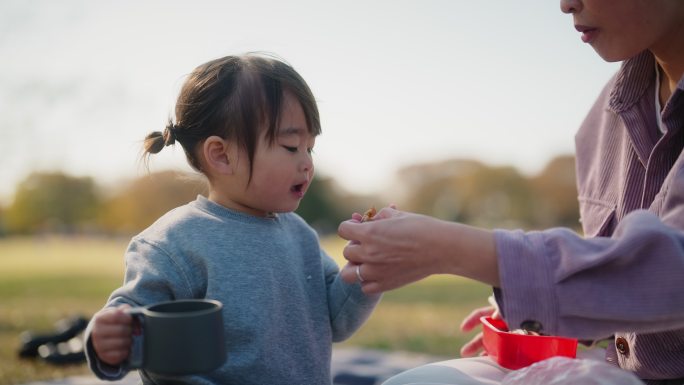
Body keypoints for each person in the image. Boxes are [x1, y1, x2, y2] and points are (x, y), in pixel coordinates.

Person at [337, 0, 684, 384]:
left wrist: (448, 249)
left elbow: (670, 271)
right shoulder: (601, 120)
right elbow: (626, 293)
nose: (566, 5)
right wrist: (535, 307)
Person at [84, 53, 380, 385]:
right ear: (222, 155)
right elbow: (131, 319)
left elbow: (336, 321)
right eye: (290, 146)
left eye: (310, 148)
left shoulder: (300, 236)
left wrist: (364, 266)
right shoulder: (174, 242)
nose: (307, 164)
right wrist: (107, 338)